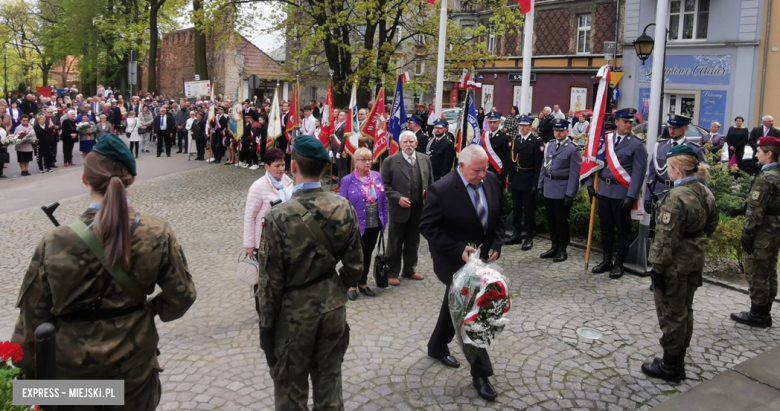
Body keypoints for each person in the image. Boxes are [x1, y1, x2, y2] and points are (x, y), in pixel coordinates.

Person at [11, 135, 197, 408]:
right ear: (130, 179)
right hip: (132, 374)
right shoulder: (156, 232)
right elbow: (181, 297)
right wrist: (147, 312)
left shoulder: (55, 240)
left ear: (84, 178)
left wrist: (28, 384)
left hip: (71, 378)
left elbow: (32, 320)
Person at [256, 134, 361, 411]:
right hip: (332, 310)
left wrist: (266, 326)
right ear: (325, 169)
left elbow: (270, 283)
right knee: (329, 386)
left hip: (292, 316)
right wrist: (336, 289)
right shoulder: (343, 207)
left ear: (293, 166)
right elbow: (355, 268)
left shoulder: (277, 217)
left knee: (291, 392)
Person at [421, 145, 505, 401]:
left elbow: (498, 216)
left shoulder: (490, 179)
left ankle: (436, 346)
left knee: (455, 304)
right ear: (461, 166)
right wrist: (458, 249)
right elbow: (427, 226)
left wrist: (496, 244)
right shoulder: (443, 189)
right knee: (471, 312)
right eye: (477, 170)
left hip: (481, 260)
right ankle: (481, 373)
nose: (483, 174)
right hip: (453, 262)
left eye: (485, 168)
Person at [641, 145, 717, 383]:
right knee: (685, 309)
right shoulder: (704, 191)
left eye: (669, 167)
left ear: (676, 169)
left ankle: (670, 366)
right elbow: (712, 223)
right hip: (695, 257)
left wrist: (657, 268)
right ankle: (676, 360)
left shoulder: (676, 197)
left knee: (671, 312)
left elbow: (665, 239)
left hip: (675, 262)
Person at [587, 108, 647, 279]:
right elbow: (596, 162)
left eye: (631, 122)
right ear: (617, 122)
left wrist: (631, 195)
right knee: (606, 228)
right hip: (604, 190)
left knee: (623, 230)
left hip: (622, 193)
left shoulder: (637, 145)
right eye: (625, 121)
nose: (628, 124)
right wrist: (591, 183)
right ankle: (606, 260)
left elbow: (639, 172)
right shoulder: (606, 140)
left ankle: (619, 263)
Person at [731, 136, 780, 328]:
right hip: (775, 231)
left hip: (763, 231)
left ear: (768, 154)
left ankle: (757, 315)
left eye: (759, 151)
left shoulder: (766, 178)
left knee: (757, 271)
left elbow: (755, 210)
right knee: (770, 270)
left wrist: (747, 234)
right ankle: (764, 312)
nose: (756, 154)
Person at [243, 148, 294, 314]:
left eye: (283, 165)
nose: (281, 169)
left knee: (284, 276)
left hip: (287, 240)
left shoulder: (289, 183)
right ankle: (263, 311)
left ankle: (282, 308)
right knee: (264, 280)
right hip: (265, 242)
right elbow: (249, 217)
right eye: (276, 166)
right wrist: (250, 245)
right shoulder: (258, 187)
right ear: (266, 167)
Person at [381, 130, 433, 286]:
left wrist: (428, 197)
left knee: (413, 240)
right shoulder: (390, 161)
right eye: (405, 142)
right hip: (399, 209)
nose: (408, 145)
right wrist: (398, 198)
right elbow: (384, 186)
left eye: (411, 142)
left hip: (418, 208)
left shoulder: (425, 159)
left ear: (416, 144)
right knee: (395, 241)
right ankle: (392, 271)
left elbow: (431, 181)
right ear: (400, 144)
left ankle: (409, 269)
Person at [340, 147, 389, 300]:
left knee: (367, 254)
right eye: (364, 160)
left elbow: (383, 200)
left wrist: (384, 220)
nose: (368, 163)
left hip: (374, 223)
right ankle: (351, 284)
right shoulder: (348, 180)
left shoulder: (377, 176)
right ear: (356, 162)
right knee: (354, 256)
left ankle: (363, 283)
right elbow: (343, 205)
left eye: (369, 159)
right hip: (356, 225)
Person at [537, 118, 583, 262]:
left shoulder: (573, 149)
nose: (558, 133)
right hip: (549, 187)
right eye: (556, 130)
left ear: (567, 131)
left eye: (561, 130)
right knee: (551, 220)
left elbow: (575, 175)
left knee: (562, 221)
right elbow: (544, 167)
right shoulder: (550, 145)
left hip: (562, 189)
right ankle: (554, 246)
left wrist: (570, 194)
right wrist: (540, 185)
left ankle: (562, 249)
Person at [646, 115, 705, 206]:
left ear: (686, 128)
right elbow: (652, 174)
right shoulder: (659, 147)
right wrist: (648, 197)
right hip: (660, 193)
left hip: (684, 195)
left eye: (676, 128)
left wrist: (700, 199)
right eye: (670, 127)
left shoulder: (694, 149)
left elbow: (701, 177)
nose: (672, 130)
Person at [505, 115, 544, 249]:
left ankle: (529, 236)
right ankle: (516, 234)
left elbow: (539, 165)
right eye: (520, 125)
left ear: (530, 127)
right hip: (517, 178)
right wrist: (510, 179)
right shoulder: (516, 139)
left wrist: (535, 184)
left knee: (529, 210)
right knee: (516, 208)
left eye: (525, 126)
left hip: (529, 179)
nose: (522, 128)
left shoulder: (536, 141)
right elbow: (511, 161)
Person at [481, 112, 512, 190]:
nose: (492, 124)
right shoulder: (485, 136)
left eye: (494, 122)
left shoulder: (504, 138)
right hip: (486, 172)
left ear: (499, 122)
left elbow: (506, 160)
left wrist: (503, 177)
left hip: (498, 173)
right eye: (490, 122)